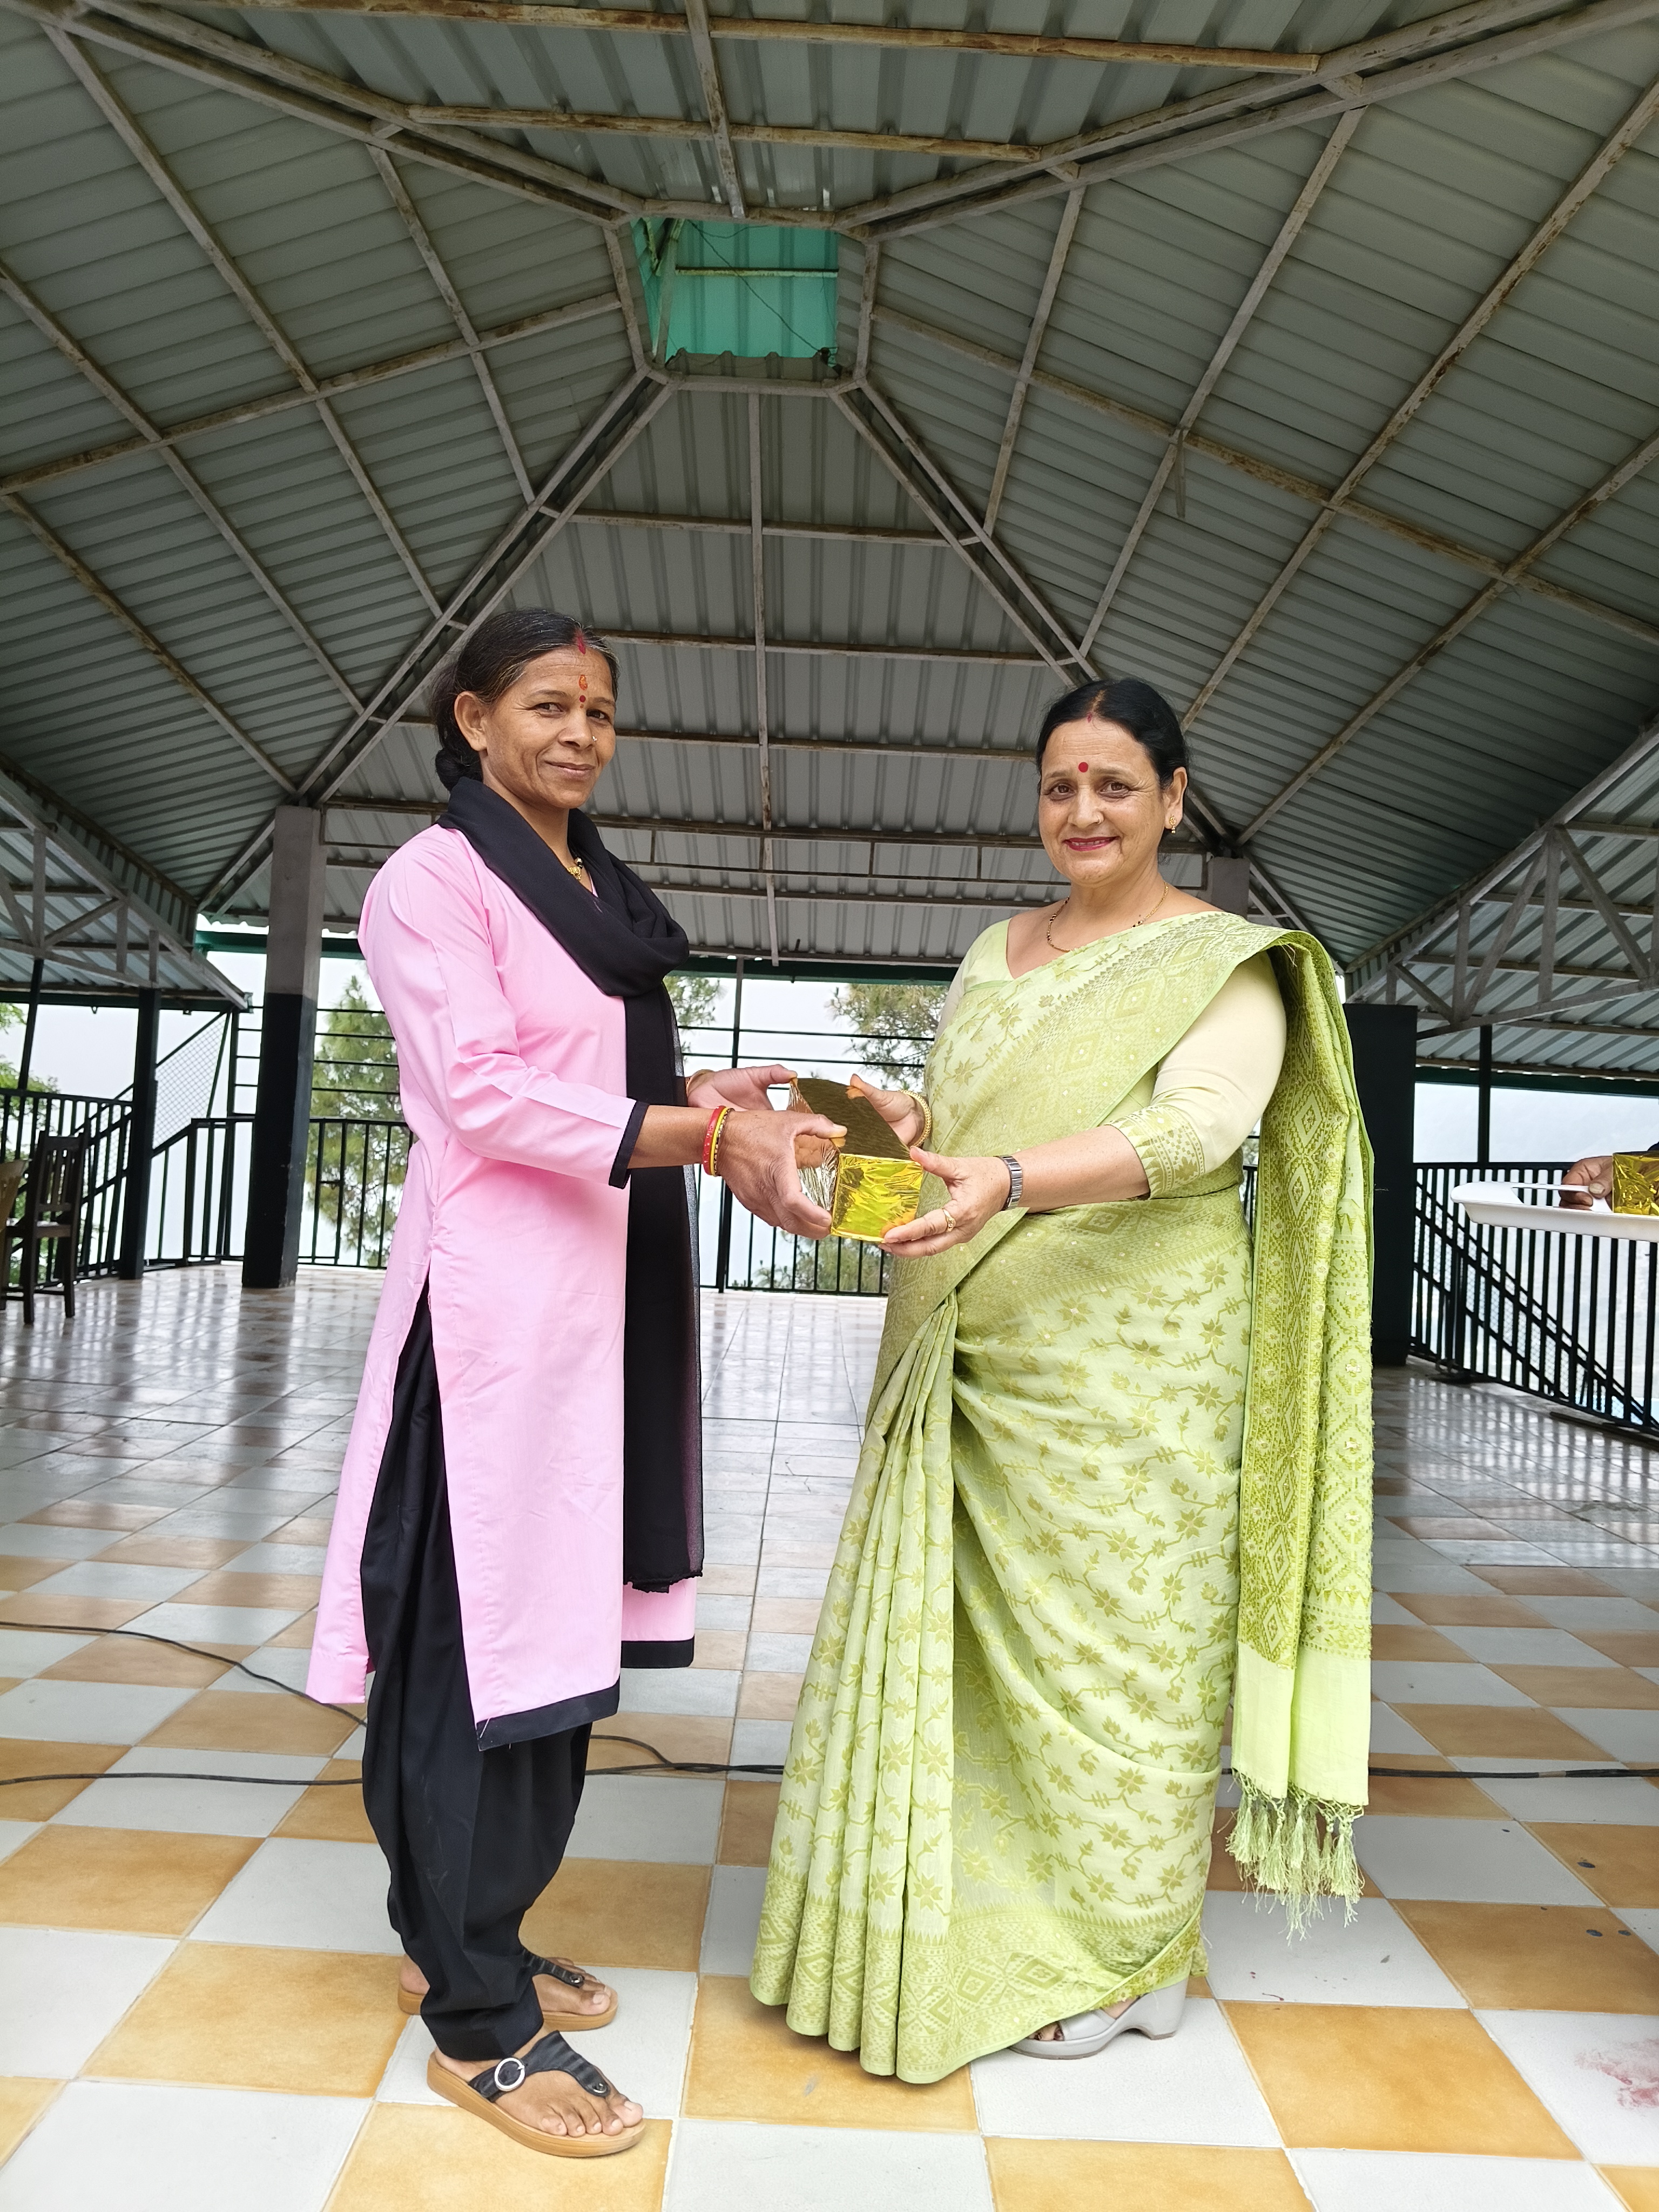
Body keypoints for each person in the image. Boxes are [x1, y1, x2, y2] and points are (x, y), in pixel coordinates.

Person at [751, 677, 1375, 2082]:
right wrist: (905, 1118)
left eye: (1113, 785)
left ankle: (1135, 1958)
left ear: (1173, 796)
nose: (1083, 812)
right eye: (1059, 786)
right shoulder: (996, 951)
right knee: (972, 1663)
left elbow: (1199, 1131)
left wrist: (1011, 1176)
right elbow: (967, 1113)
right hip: (969, 1350)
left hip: (1132, 1369)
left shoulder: (1228, 961)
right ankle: (977, 1920)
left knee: (1122, 1660)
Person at [307, 607, 837, 2156]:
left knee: (556, 1627)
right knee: (468, 1647)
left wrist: (703, 1096)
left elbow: (593, 1081)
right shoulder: (435, 882)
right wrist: (706, 1136)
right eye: (548, 705)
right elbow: (483, 1092)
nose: (580, 734)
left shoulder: (597, 890)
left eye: (599, 712)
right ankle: (474, 2020)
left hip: (601, 1303)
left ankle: (481, 1930)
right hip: (489, 1320)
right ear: (473, 721)